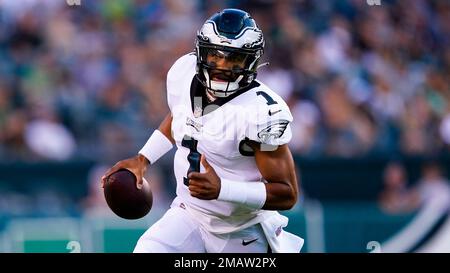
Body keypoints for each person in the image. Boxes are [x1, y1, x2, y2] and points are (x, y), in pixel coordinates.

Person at [102, 8, 303, 253]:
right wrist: (143, 159)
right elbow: (180, 115)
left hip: (242, 231)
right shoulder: (184, 73)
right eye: (215, 56)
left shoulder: (261, 113)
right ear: (200, 53)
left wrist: (223, 190)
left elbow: (287, 193)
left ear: (251, 61)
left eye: (234, 58)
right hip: (189, 214)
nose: (222, 66)